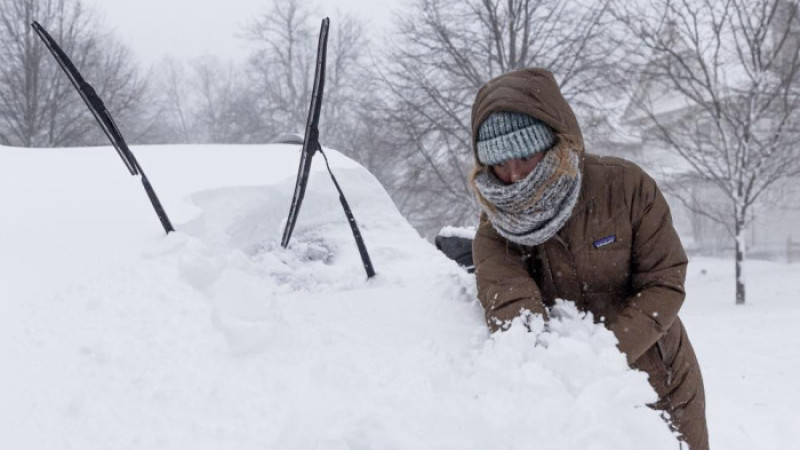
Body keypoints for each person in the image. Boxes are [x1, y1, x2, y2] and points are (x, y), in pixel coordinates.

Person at [469, 68, 709, 449]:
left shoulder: (626, 187)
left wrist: (605, 354)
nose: (512, 176)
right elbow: (513, 307)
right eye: (499, 163)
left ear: (553, 143)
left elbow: (664, 280)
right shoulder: (495, 228)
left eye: (524, 156)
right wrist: (558, 373)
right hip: (571, 399)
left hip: (659, 379)